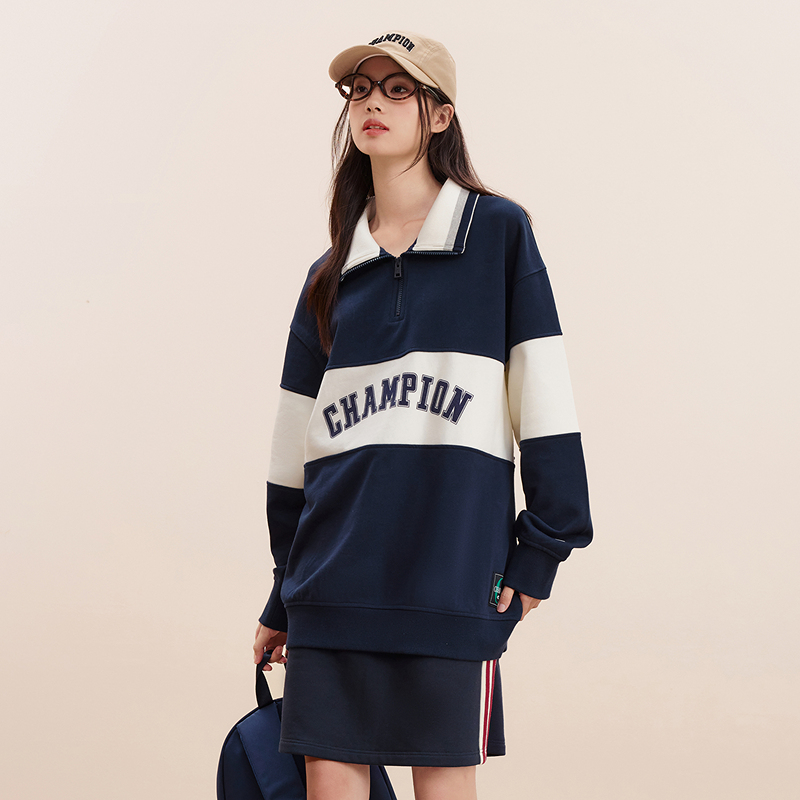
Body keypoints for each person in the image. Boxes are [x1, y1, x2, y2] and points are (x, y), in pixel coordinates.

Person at [252, 30, 593, 800]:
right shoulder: (329, 275)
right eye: (360, 90)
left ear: (440, 115)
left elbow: (545, 398)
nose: (373, 102)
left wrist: (542, 550)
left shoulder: (497, 234)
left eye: (398, 89)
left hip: (451, 581)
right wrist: (284, 593)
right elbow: (292, 451)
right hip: (331, 591)